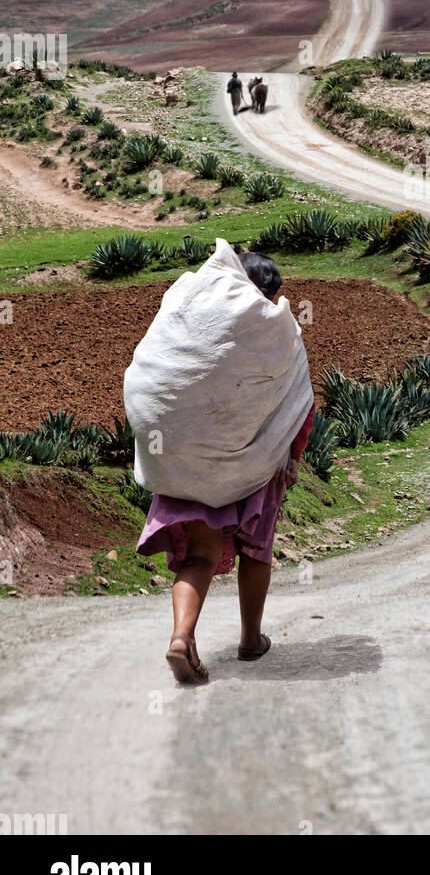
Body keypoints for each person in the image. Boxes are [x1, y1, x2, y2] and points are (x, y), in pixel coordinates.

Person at [134, 251, 314, 684]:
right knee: (256, 548)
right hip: (256, 462)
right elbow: (298, 402)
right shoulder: (275, 333)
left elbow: (159, 375)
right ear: (269, 293)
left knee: (199, 554)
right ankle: (251, 639)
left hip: (187, 462)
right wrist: (291, 455)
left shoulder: (193, 315)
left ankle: (181, 638)